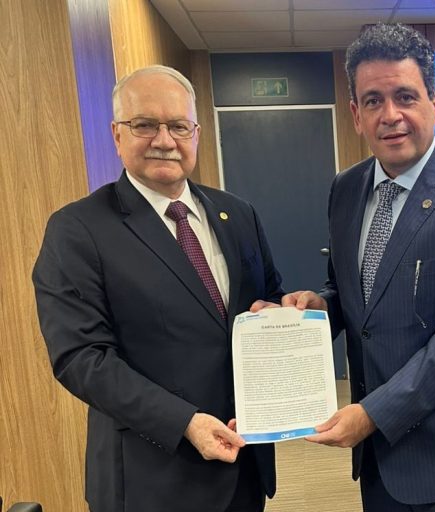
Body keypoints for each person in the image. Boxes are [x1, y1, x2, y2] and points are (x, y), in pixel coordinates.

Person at [261, 23, 435, 511]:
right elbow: (350, 292)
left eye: (405, 96)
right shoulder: (345, 190)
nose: (391, 115)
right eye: (374, 100)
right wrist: (317, 307)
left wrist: (372, 415)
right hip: (380, 458)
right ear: (356, 114)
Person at [33, 65, 283, 512]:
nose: (164, 140)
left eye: (178, 126)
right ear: (116, 133)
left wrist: (288, 311)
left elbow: (266, 299)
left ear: (196, 132)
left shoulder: (237, 213)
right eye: (145, 125)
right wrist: (184, 422)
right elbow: (80, 357)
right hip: (152, 480)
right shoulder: (78, 229)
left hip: (244, 463)